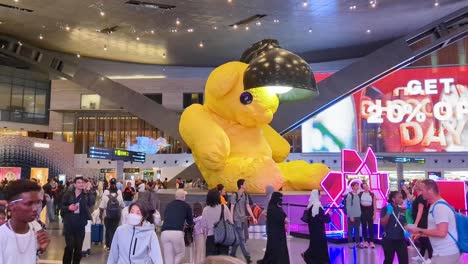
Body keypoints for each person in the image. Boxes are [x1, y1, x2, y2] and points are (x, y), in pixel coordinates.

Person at [407, 179, 460, 264]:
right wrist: (421, 234)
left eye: (422, 190)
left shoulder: (439, 207)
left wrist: (419, 230)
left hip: (445, 254)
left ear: (430, 191)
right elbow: (437, 230)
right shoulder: (434, 205)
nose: (420, 192)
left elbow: (442, 233)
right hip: (441, 254)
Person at [0, 179, 50, 264]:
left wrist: (40, 250)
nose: (35, 208)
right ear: (12, 206)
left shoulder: (36, 229)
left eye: (38, 202)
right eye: (29, 203)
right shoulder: (2, 236)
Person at [61, 176, 93, 264]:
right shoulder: (68, 194)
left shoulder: (86, 195)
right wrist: (68, 207)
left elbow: (91, 203)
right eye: (78, 182)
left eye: (82, 182)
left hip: (80, 224)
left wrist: (89, 191)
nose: (81, 184)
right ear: (74, 184)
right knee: (70, 247)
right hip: (69, 224)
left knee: (78, 248)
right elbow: (62, 207)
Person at [161, 189, 194, 264]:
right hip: (177, 232)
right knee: (180, 253)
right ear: (183, 197)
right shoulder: (186, 206)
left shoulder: (169, 205)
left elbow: (166, 217)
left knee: (168, 256)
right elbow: (190, 222)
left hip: (164, 233)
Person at [257, 192, 289, 264]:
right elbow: (282, 218)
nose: (281, 200)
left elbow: (281, 215)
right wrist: (284, 219)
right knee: (276, 247)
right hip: (276, 233)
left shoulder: (275, 206)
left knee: (275, 247)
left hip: (277, 232)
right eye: (280, 198)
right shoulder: (273, 208)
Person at [230, 179, 257, 263]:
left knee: (238, 238)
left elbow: (248, 206)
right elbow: (232, 207)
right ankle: (247, 257)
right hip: (236, 219)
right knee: (242, 238)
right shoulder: (234, 195)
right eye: (245, 183)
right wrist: (231, 219)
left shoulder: (245, 195)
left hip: (243, 219)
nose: (246, 185)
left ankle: (232, 254)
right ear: (241, 185)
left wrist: (253, 217)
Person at [301, 189, 331, 264]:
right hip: (319, 230)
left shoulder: (311, 205)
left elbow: (312, 218)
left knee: (314, 243)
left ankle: (309, 256)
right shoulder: (317, 205)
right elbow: (321, 218)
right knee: (320, 245)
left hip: (313, 229)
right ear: (316, 195)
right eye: (319, 194)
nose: (321, 196)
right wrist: (328, 215)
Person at [380, 191, 408, 264]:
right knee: (388, 260)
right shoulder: (385, 208)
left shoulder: (401, 210)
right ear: (393, 199)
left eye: (402, 197)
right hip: (389, 239)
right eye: (400, 197)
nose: (402, 199)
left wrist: (407, 231)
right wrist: (388, 213)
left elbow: (404, 223)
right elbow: (383, 223)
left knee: (404, 261)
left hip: (401, 239)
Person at [203, 189, 232, 256]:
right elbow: (231, 221)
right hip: (223, 237)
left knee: (211, 260)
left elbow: (204, 225)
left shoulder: (205, 210)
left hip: (210, 238)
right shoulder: (224, 207)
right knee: (222, 259)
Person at [411, 181, 432, 261]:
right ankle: (421, 255)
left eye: (415, 185)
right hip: (420, 220)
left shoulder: (421, 198)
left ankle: (430, 257)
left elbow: (420, 211)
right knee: (421, 240)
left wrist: (416, 223)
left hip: (422, 221)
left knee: (425, 239)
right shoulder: (419, 197)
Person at [100, 186, 125, 251]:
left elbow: (101, 208)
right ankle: (115, 245)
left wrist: (100, 216)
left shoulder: (105, 197)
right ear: (117, 191)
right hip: (116, 217)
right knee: (115, 230)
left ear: (109, 191)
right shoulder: (119, 196)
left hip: (107, 216)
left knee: (108, 230)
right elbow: (123, 206)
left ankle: (108, 246)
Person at [359, 182, 377, 248]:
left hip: (370, 211)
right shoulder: (360, 194)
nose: (366, 188)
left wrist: (375, 214)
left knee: (371, 227)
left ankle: (371, 241)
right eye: (364, 187)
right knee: (363, 227)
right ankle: (365, 241)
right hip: (363, 211)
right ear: (362, 188)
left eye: (366, 186)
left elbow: (374, 205)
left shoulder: (372, 195)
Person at [346, 181, 362, 248]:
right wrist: (351, 216)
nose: (357, 187)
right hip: (351, 216)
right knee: (350, 230)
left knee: (357, 230)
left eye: (358, 185)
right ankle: (350, 243)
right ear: (352, 187)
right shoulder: (350, 195)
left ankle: (358, 243)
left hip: (358, 215)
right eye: (356, 185)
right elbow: (348, 206)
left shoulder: (358, 195)